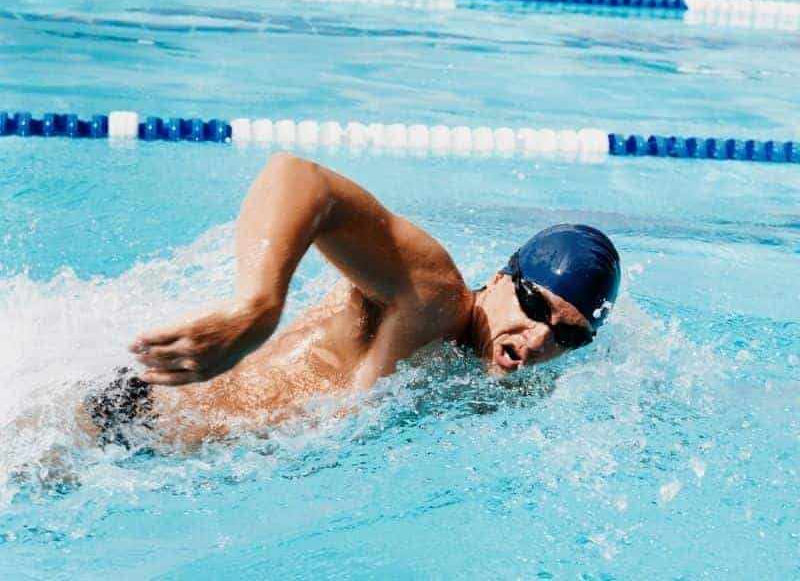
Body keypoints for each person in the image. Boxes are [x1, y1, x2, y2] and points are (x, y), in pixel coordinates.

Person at [83, 153, 621, 449]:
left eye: (570, 336)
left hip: (160, 457)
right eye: (534, 306)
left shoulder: (497, 379)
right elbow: (300, 177)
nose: (540, 338)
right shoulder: (435, 298)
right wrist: (257, 308)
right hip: (134, 419)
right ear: (504, 278)